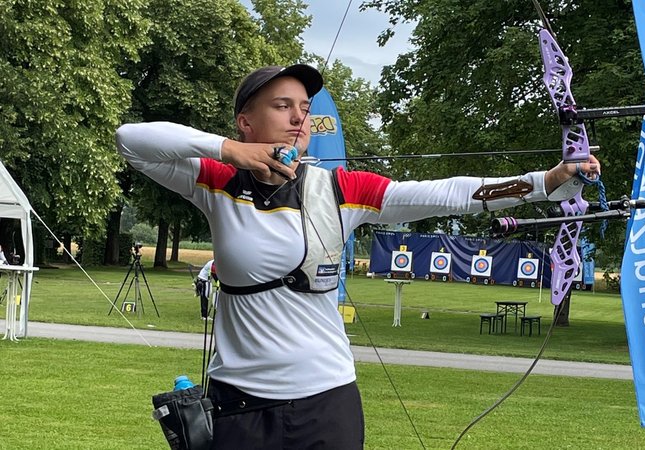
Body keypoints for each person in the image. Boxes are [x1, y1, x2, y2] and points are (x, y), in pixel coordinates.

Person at [116, 64, 601, 449]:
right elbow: (132, 141)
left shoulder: (342, 190)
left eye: (303, 108)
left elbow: (449, 194)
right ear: (246, 121)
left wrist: (547, 181)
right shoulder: (215, 182)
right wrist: (228, 150)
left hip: (326, 401)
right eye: (281, 106)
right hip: (240, 402)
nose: (297, 119)